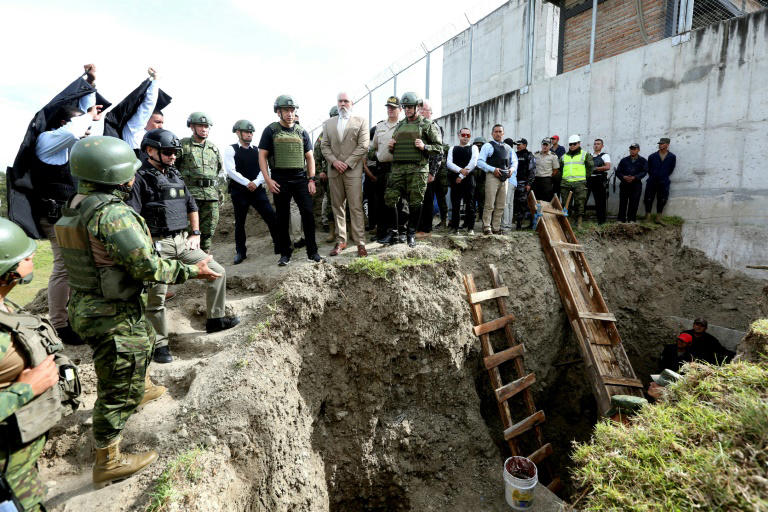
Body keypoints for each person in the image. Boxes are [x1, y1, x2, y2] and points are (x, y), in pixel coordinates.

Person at [54, 136, 221, 487]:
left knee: (143, 339)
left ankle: (140, 384)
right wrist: (195, 271)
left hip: (89, 302)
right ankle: (108, 459)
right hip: (109, 311)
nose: (134, 175)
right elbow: (146, 267)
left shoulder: (77, 204)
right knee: (116, 390)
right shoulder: (113, 215)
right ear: (114, 174)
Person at [10, 64, 106, 346]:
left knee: (75, 266)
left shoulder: (60, 141)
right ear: (64, 120)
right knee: (64, 267)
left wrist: (90, 83)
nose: (80, 118)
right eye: (74, 114)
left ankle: (73, 317)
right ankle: (60, 325)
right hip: (54, 215)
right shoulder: (50, 138)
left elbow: (87, 128)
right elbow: (82, 127)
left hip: (64, 215)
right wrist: (88, 102)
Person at [126, 129, 240, 364]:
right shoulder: (139, 178)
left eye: (175, 152)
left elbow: (192, 206)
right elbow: (132, 217)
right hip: (157, 244)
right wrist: (148, 246)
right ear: (150, 151)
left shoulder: (175, 175)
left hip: (182, 240)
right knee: (156, 297)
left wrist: (195, 233)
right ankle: (159, 344)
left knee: (217, 272)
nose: (173, 156)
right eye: (168, 152)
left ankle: (216, 319)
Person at [0, 218, 75, 512]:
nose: (32, 257)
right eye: (25, 256)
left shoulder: (6, 305)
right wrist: (25, 389)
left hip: (19, 461)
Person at [259, 95, 323, 265]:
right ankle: (285, 253)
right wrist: (268, 180)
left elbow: (310, 157)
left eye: (292, 110)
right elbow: (262, 156)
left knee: (308, 214)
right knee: (282, 217)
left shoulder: (301, 131)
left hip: (300, 178)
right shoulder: (270, 130)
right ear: (278, 112)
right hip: (279, 178)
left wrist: (311, 179)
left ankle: (313, 252)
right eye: (286, 110)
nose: (290, 113)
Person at [381, 92, 442, 247]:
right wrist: (391, 147)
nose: (407, 110)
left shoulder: (427, 125)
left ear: (417, 107)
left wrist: (424, 146)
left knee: (415, 202)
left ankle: (411, 234)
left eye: (410, 107)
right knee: (390, 199)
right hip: (398, 169)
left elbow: (439, 149)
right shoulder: (400, 125)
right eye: (405, 107)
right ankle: (393, 233)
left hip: (418, 169)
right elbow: (394, 149)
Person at [321, 92, 370, 257]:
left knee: (355, 207)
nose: (342, 104)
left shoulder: (361, 121)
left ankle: (360, 243)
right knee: (338, 207)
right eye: (340, 101)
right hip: (334, 171)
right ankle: (341, 240)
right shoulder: (328, 123)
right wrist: (335, 162)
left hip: (353, 171)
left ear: (352, 103)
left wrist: (347, 163)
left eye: (346, 101)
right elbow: (324, 146)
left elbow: (363, 145)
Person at [225, 119, 279, 264]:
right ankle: (240, 252)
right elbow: (231, 170)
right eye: (246, 132)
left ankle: (278, 245)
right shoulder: (231, 149)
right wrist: (246, 182)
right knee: (240, 223)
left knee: (271, 216)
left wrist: (255, 182)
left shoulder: (257, 150)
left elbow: (264, 169)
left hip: (257, 190)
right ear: (238, 133)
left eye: (251, 132)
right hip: (239, 192)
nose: (250, 135)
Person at [177, 112, 223, 253]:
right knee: (188, 231)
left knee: (208, 230)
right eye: (200, 126)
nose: (204, 129)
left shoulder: (213, 148)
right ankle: (189, 261)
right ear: (192, 127)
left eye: (206, 126)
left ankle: (204, 258)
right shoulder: (183, 145)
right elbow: (173, 168)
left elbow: (218, 170)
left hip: (210, 196)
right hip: (190, 196)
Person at [103, 67, 172, 156]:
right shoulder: (134, 129)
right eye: (157, 122)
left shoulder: (152, 140)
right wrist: (155, 80)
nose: (161, 126)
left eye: (162, 123)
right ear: (146, 119)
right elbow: (147, 106)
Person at [370, 97, 406, 244]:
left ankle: (400, 231)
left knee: (399, 202)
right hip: (382, 168)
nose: (390, 110)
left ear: (400, 109)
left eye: (393, 107)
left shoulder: (404, 126)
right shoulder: (380, 127)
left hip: (398, 168)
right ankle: (383, 231)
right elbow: (374, 147)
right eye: (388, 107)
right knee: (382, 202)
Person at [416, 100, 449, 235]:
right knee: (417, 199)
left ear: (430, 112)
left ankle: (426, 228)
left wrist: (432, 172)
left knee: (428, 199)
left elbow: (438, 152)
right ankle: (417, 226)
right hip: (416, 169)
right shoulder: (416, 126)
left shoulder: (434, 127)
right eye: (420, 110)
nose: (421, 112)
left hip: (429, 169)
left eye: (424, 110)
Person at [477, 125, 517, 235]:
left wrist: (512, 169)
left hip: (505, 178)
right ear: (492, 133)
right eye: (496, 132)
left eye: (500, 131)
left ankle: (496, 227)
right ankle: (486, 226)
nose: (498, 134)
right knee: (489, 203)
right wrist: (492, 169)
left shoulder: (508, 148)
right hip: (492, 176)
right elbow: (480, 162)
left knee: (501, 204)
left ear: (503, 133)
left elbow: (515, 162)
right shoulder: (487, 146)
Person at [446, 127, 479, 235]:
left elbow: (473, 163)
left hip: (468, 179)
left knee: (470, 204)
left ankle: (470, 228)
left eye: (468, 135)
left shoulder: (474, 147)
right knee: (455, 204)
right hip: (455, 180)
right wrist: (460, 170)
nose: (465, 137)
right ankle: (455, 227)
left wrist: (461, 176)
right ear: (459, 135)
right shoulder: (452, 148)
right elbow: (449, 163)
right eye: (463, 135)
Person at [314, 106, 339, 240]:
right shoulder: (323, 135)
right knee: (331, 202)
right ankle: (331, 231)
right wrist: (320, 172)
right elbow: (316, 156)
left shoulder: (347, 132)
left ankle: (347, 230)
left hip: (345, 173)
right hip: (329, 174)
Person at [558, 134, 593, 228]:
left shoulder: (585, 155)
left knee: (580, 203)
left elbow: (590, 167)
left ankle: (579, 223)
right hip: (566, 183)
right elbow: (560, 169)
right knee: (566, 203)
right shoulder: (564, 156)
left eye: (574, 144)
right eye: (570, 144)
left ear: (579, 143)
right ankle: (567, 223)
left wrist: (584, 178)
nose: (572, 146)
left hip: (580, 183)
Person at [644, 137, 676, 224]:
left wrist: (663, 175)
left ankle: (658, 218)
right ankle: (648, 217)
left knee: (662, 199)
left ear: (667, 145)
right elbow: (648, 168)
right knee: (648, 198)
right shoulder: (652, 156)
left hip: (664, 181)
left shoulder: (672, 157)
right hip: (652, 180)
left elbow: (671, 169)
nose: (660, 145)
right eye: (660, 144)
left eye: (662, 144)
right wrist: (654, 175)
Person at [616, 143, 648, 223]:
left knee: (634, 202)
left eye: (634, 149)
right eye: (631, 149)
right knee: (623, 202)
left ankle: (631, 219)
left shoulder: (643, 160)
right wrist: (623, 177)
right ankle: (621, 219)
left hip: (636, 185)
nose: (632, 151)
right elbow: (618, 172)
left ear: (638, 150)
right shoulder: (624, 160)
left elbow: (644, 172)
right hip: (624, 184)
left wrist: (635, 177)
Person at [587, 138, 611, 224]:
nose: (596, 145)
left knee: (600, 201)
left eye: (598, 144)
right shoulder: (589, 155)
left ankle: (601, 221)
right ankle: (580, 220)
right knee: (583, 199)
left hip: (599, 179)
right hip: (589, 179)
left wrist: (596, 168)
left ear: (602, 146)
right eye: (595, 144)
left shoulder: (605, 155)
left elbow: (608, 167)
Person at [513, 138, 536, 230]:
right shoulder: (514, 154)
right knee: (515, 204)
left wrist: (529, 183)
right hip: (514, 183)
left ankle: (521, 224)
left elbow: (532, 170)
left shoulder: (529, 155)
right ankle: (516, 223)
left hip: (524, 184)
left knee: (523, 204)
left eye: (520, 144)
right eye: (517, 144)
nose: (517, 146)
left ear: (525, 145)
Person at [500, 137, 519, 232]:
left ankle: (505, 225)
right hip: (514, 181)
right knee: (510, 204)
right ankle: (509, 225)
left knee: (505, 203)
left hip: (508, 180)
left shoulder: (507, 151)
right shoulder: (513, 152)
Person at [472, 136, 487, 224]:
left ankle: (482, 217)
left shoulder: (487, 155)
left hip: (483, 181)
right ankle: (470, 219)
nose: (479, 147)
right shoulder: (472, 153)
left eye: (480, 145)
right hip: (473, 180)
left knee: (483, 201)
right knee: (471, 201)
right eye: (477, 145)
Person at [550, 135, 565, 199]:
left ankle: (557, 204)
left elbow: (562, 159)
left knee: (557, 188)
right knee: (551, 189)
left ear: (557, 140)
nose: (552, 140)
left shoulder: (561, 148)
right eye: (552, 139)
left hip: (558, 171)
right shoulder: (550, 149)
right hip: (550, 171)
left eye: (554, 139)